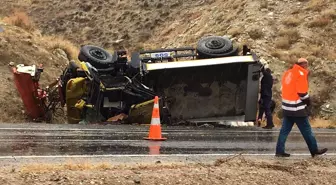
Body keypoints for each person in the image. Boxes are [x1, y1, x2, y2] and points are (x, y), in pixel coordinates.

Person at [275, 58, 328, 157]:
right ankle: (314, 150)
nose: (307, 66)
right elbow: (302, 93)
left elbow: (283, 89)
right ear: (303, 64)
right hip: (297, 108)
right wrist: (308, 102)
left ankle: (279, 151)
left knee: (284, 131)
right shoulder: (301, 74)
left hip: (287, 107)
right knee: (307, 130)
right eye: (306, 64)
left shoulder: (288, 73)